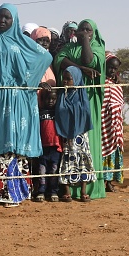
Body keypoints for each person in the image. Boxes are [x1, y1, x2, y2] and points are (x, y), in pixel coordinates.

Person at [0, 3, 52, 207]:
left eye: (7, 17)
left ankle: (14, 193)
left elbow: (45, 56)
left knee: (14, 145)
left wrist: (28, 82)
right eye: (0, 17)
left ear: (14, 20)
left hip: (17, 102)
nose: (3, 20)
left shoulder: (22, 43)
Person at [54, 19, 105, 199]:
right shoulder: (68, 47)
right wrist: (81, 69)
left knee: (86, 145)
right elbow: (60, 60)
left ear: (94, 32)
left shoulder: (97, 48)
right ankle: (68, 187)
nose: (83, 32)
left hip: (89, 99)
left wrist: (84, 41)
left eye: (87, 30)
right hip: (69, 99)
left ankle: (89, 188)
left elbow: (89, 59)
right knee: (69, 147)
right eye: (81, 30)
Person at [56, 66, 95, 202]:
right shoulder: (62, 94)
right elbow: (59, 112)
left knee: (83, 159)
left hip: (80, 134)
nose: (65, 82)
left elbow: (85, 112)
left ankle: (83, 190)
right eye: (64, 79)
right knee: (67, 159)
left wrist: (72, 110)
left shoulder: (81, 94)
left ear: (76, 79)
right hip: (66, 134)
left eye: (69, 79)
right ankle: (66, 190)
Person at [102, 53, 124, 192]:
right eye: (109, 67)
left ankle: (110, 182)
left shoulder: (117, 85)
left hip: (116, 126)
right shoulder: (100, 82)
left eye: (114, 69)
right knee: (104, 152)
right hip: (104, 125)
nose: (112, 71)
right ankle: (102, 181)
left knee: (114, 153)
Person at [34, 89, 61, 202]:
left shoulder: (58, 113)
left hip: (55, 147)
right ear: (43, 99)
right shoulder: (39, 113)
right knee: (42, 171)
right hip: (42, 147)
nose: (50, 101)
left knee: (54, 170)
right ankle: (41, 191)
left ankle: (53, 191)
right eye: (48, 98)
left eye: (53, 99)